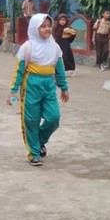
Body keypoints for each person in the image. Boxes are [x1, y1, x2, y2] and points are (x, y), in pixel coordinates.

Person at [6, 14, 69, 166]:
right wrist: (13, 90)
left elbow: (60, 69)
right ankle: (34, 153)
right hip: (31, 84)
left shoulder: (55, 47)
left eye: (49, 25)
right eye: (43, 26)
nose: (47, 29)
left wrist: (64, 87)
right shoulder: (28, 47)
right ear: (35, 28)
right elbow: (19, 70)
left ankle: (39, 141)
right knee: (31, 120)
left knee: (54, 117)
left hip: (49, 84)